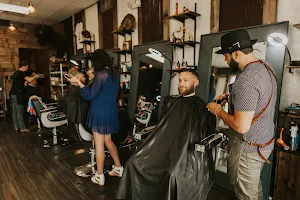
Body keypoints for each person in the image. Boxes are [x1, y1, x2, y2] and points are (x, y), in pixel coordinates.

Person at [116, 70, 216, 200]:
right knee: (133, 162)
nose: (181, 84)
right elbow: (163, 127)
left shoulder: (202, 108)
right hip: (163, 148)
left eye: (185, 80)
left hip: (186, 152)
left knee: (171, 173)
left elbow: (202, 134)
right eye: (180, 80)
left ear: (196, 82)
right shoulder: (170, 102)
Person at [206, 29, 277, 200]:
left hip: (249, 150)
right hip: (264, 143)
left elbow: (241, 126)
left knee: (247, 195)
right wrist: (233, 98)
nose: (225, 59)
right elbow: (258, 97)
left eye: (226, 55)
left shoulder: (245, 79)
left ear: (236, 53)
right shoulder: (266, 66)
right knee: (254, 189)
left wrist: (218, 110)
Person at [65, 49, 123, 186]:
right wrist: (93, 80)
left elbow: (90, 95)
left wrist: (78, 82)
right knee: (108, 140)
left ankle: (99, 176)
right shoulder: (115, 73)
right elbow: (106, 90)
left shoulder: (100, 74)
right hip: (110, 110)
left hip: (99, 111)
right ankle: (119, 168)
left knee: (99, 144)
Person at [9, 61, 40, 133]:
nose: (27, 68)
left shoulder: (15, 73)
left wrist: (24, 84)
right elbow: (29, 79)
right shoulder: (21, 73)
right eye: (26, 67)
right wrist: (35, 76)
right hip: (18, 94)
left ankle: (16, 127)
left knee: (14, 112)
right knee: (19, 111)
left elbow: (18, 83)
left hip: (12, 93)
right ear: (23, 66)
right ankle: (22, 128)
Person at [64, 68, 90, 141]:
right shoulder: (80, 92)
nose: (85, 78)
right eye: (83, 77)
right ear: (78, 78)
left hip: (74, 126)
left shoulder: (71, 90)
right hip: (85, 126)